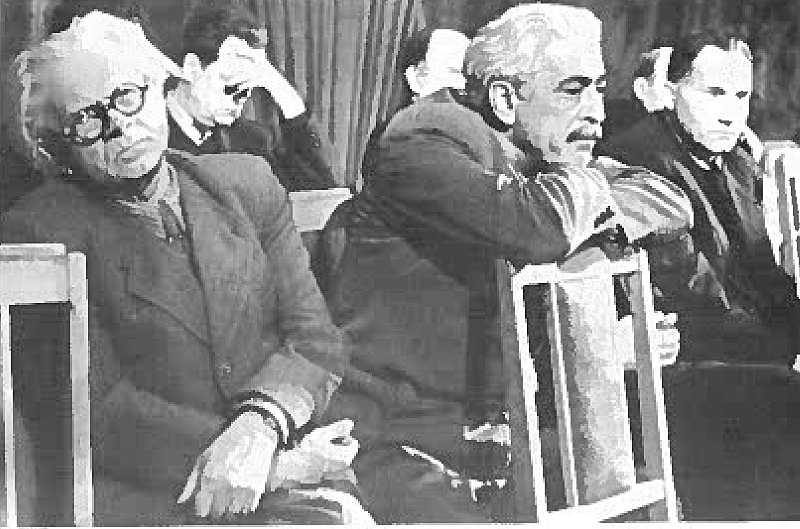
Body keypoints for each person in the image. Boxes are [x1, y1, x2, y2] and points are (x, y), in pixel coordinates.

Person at [316, 4, 692, 523]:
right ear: (504, 99)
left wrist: (580, 208)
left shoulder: (546, 156)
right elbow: (538, 229)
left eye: (599, 89)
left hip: (501, 434)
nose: (597, 112)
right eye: (573, 90)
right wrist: (584, 201)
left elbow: (668, 201)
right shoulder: (424, 136)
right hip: (393, 441)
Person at [0, 11, 370, 526]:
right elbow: (98, 412)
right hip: (157, 499)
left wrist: (260, 426)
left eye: (128, 96)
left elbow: (315, 339)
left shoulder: (248, 183)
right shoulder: (37, 230)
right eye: (86, 119)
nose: (118, 125)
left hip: (281, 455)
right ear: (58, 146)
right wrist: (276, 470)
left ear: (159, 86)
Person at [597, 29, 799, 366]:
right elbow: (692, 297)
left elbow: (762, 269)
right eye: (714, 93)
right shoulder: (639, 158)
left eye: (741, 96)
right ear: (671, 92)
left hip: (745, 341)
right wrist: (783, 345)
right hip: (682, 353)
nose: (729, 114)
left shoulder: (736, 161)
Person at [166, 0, 336, 192]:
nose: (238, 103)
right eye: (231, 87)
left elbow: (317, 193)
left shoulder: (252, 141)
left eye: (246, 90)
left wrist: (279, 87)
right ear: (192, 68)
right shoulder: (147, 139)